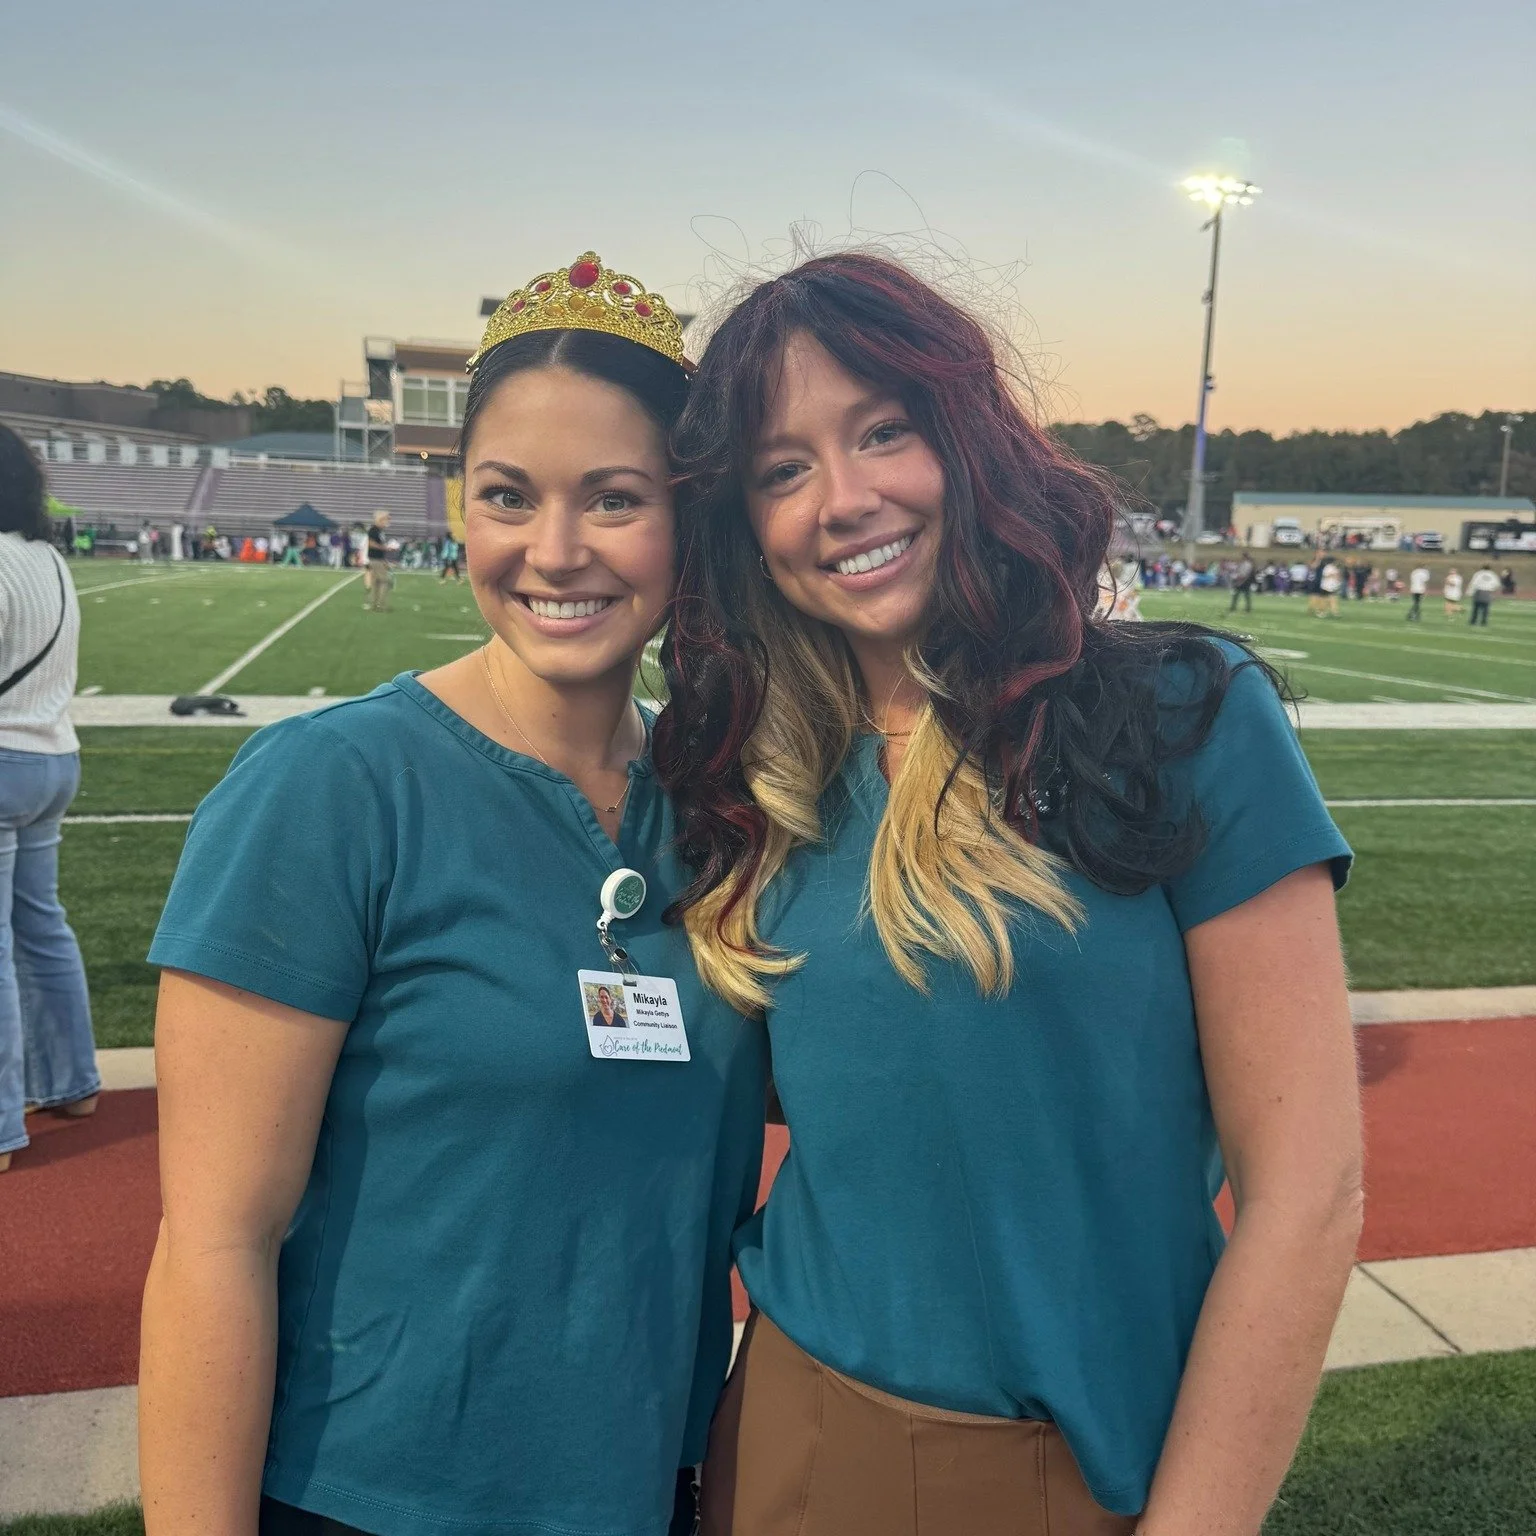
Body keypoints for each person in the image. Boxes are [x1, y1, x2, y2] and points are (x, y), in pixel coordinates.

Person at [656, 253, 1360, 1536]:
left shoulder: (1180, 714)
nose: (845, 500)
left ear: (968, 436)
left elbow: (1309, 1195)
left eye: (884, 430)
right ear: (744, 522)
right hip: (786, 1430)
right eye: (782, 469)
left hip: (1077, 1463)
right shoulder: (751, 775)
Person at [138, 253, 767, 1536]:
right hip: (369, 1500)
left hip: (647, 1490)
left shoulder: (722, 804)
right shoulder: (329, 788)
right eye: (508, 495)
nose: (556, 551)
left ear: (688, 521)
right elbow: (213, 1244)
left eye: (615, 498)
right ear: (458, 507)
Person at [0, 425, 100, 1174]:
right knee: (41, 925)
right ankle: (72, 1083)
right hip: (52, 755)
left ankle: (5, 1121)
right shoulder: (48, 557)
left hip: (6, 756)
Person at [365, 510, 393, 611]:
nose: (388, 522)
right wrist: (385, 548)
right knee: (385, 581)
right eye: (386, 519)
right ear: (380, 520)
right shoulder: (374, 530)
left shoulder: (379, 531)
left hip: (378, 559)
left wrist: (384, 558)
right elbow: (371, 543)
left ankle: (374, 604)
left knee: (376, 582)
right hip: (375, 559)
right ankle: (381, 605)